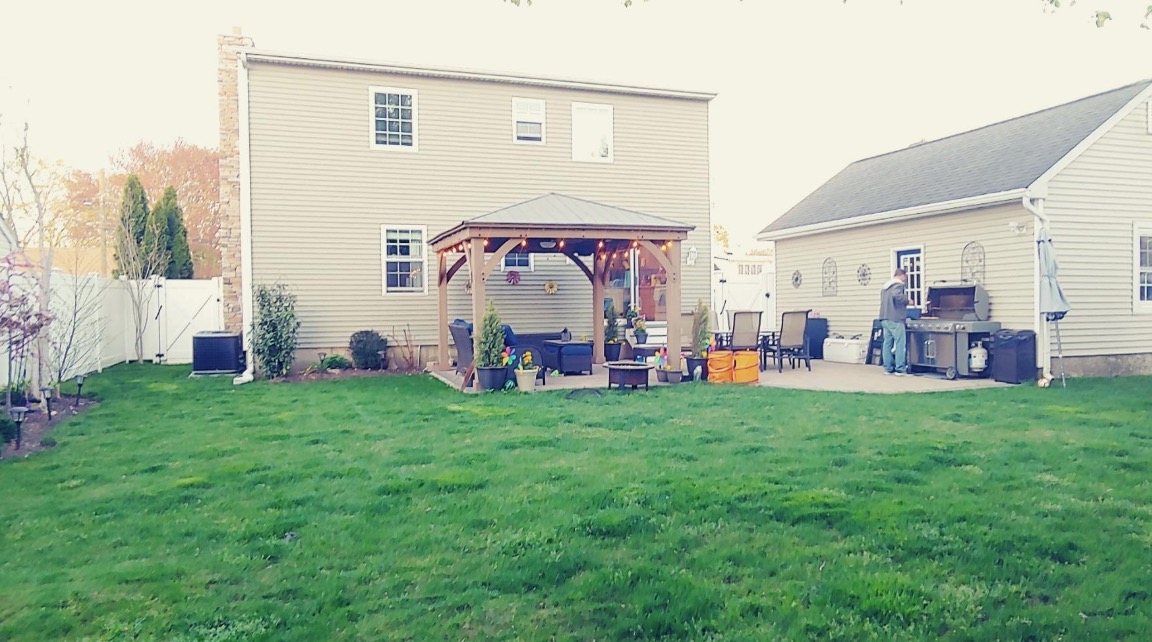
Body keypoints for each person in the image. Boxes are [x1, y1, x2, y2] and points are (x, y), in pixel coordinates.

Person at [878, 268, 911, 375]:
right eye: (905, 277)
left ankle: (888, 368)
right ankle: (900, 368)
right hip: (895, 318)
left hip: (884, 317)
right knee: (900, 343)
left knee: (887, 343)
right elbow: (897, 295)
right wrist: (907, 300)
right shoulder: (898, 285)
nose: (905, 280)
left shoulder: (885, 287)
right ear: (902, 275)